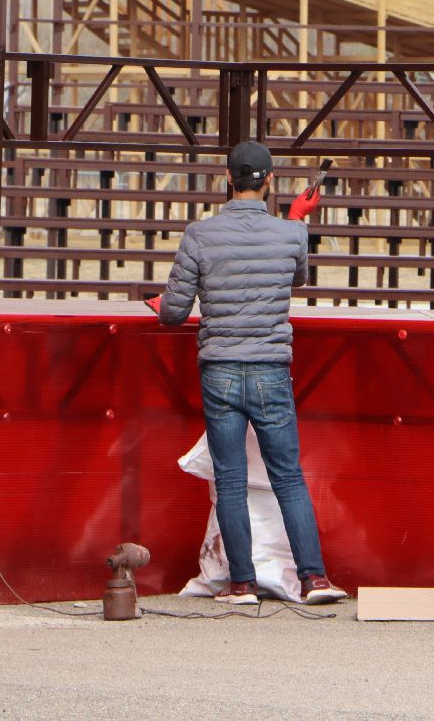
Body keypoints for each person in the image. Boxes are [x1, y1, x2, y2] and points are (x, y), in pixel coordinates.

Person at [156, 140, 347, 605]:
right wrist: (298, 219)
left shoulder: (199, 234)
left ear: (226, 179)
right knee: (287, 476)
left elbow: (174, 313)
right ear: (271, 181)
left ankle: (239, 583)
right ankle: (314, 579)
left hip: (220, 367)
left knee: (231, 478)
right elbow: (295, 275)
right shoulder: (289, 233)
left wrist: (161, 303)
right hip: (270, 367)